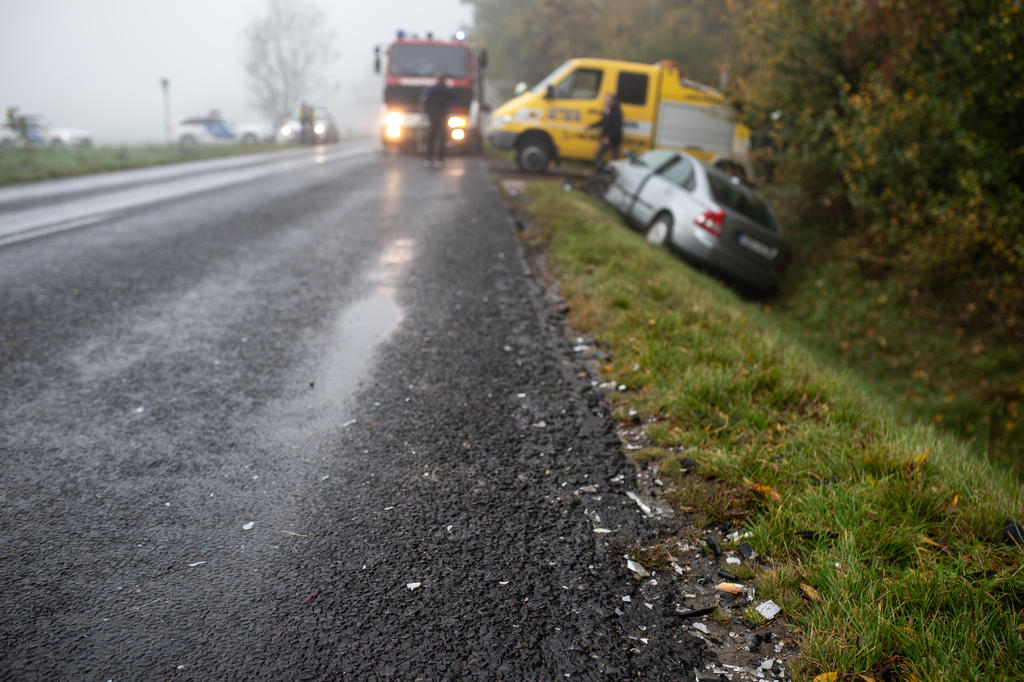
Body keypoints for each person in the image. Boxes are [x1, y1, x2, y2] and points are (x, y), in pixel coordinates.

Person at [422, 71, 453, 168]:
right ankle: (440, 159)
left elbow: (426, 102)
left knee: (431, 137)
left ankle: (428, 158)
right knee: (442, 139)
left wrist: (428, 113)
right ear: (444, 79)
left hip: (433, 116)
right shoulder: (447, 90)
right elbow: (454, 100)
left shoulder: (431, 89)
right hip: (443, 117)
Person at [590, 92, 623, 170]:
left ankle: (611, 171)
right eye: (605, 100)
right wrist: (592, 126)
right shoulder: (606, 110)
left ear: (613, 101)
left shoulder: (616, 111)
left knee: (613, 158)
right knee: (599, 155)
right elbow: (603, 122)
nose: (606, 102)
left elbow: (617, 126)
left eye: (608, 101)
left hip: (613, 139)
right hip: (606, 137)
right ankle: (602, 169)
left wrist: (608, 137)